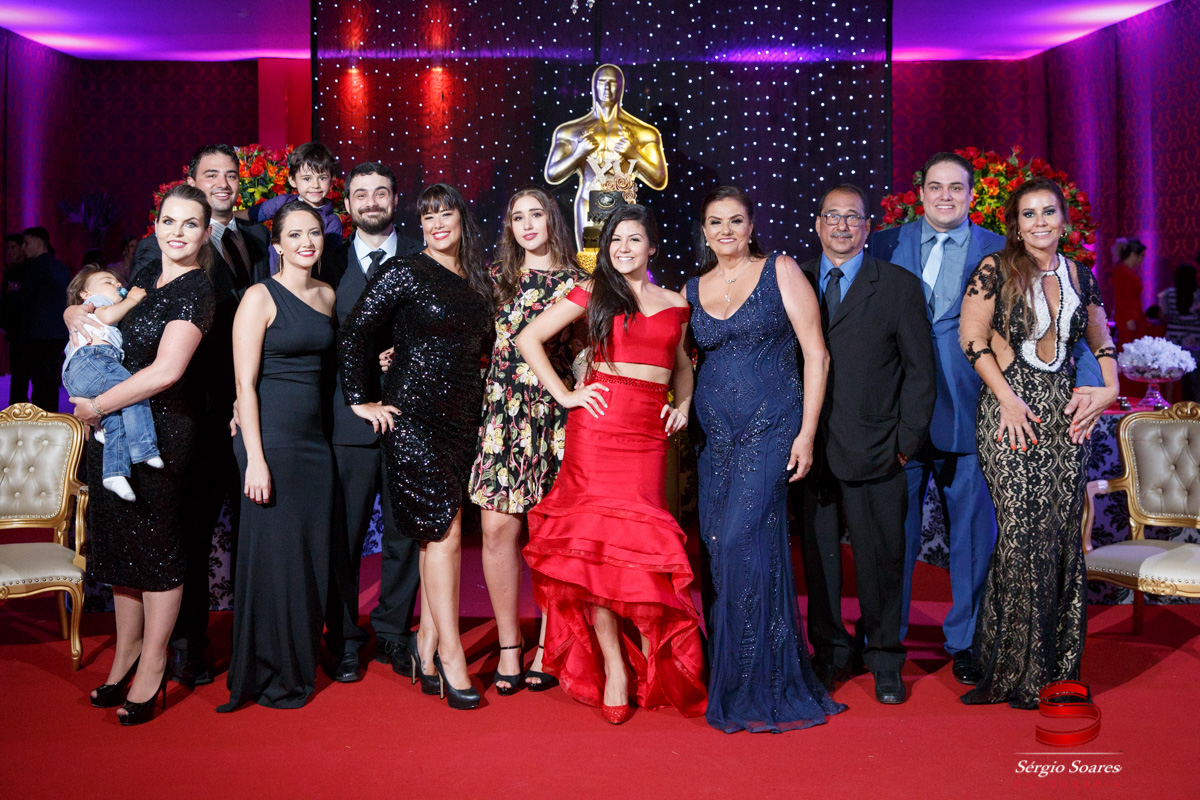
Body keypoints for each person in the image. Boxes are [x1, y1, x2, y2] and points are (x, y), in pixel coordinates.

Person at [868, 152, 1104, 685]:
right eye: (936, 186)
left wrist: (1094, 385)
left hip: (978, 412)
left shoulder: (1004, 251)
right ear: (919, 192)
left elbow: (1068, 325)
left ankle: (968, 641)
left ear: (973, 195)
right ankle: (885, 643)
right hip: (897, 414)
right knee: (892, 536)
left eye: (957, 187)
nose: (945, 196)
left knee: (974, 538)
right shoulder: (882, 244)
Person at [515, 204, 707, 724]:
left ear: (652, 247)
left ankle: (653, 659)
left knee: (642, 550)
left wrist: (684, 404)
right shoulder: (594, 292)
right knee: (596, 553)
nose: (623, 248)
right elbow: (527, 338)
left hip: (647, 436)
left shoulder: (677, 304)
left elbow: (682, 365)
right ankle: (616, 668)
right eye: (615, 240)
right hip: (597, 431)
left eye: (633, 239)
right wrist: (566, 395)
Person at [685, 186, 844, 733]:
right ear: (705, 231)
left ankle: (761, 679)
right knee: (720, 548)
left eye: (736, 221)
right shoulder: (692, 288)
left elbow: (816, 353)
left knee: (739, 541)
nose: (726, 231)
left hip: (771, 430)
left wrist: (807, 434)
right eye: (715, 222)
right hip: (715, 441)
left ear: (751, 226)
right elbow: (683, 362)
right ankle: (737, 672)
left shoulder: (780, 271)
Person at [958, 178, 1117, 709]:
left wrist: (1110, 387)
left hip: (1065, 419)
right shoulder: (995, 269)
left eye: (1049, 212)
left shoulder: (1080, 275)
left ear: (1064, 222)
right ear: (1016, 225)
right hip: (1010, 414)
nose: (1040, 222)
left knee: (1060, 536)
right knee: (1021, 534)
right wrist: (1006, 400)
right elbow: (971, 339)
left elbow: (1101, 339)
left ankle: (1055, 667)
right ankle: (1010, 668)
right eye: (1029, 214)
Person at [338, 183, 493, 710]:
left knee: (434, 539)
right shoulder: (404, 270)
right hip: (414, 420)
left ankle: (425, 645)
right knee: (445, 533)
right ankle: (451, 655)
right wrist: (361, 398)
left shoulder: (476, 280)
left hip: (461, 422)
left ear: (461, 219)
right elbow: (355, 332)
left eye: (445, 214)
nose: (437, 224)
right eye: (428, 217)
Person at [122, 144, 271, 686]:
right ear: (191, 180)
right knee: (191, 530)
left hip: (250, 405)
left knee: (255, 527)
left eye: (232, 175)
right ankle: (185, 645)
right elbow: (128, 310)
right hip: (192, 410)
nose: (224, 183)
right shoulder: (158, 247)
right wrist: (77, 311)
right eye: (212, 174)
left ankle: (256, 641)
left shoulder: (258, 238)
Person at [70, 184, 215, 725]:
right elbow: (97, 313)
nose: (177, 232)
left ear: (205, 233)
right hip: (112, 431)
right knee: (121, 548)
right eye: (169, 221)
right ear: (156, 224)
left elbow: (165, 372)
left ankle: (153, 663)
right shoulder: (146, 275)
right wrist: (74, 314)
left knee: (156, 551)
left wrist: (97, 405)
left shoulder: (197, 290)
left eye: (190, 224)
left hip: (160, 433)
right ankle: (125, 655)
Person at [799, 184, 936, 705]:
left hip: (879, 448)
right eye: (831, 216)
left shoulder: (898, 286)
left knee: (881, 559)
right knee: (820, 562)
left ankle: (883, 657)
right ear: (817, 224)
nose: (841, 226)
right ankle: (831, 652)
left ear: (868, 227)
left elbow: (920, 372)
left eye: (852, 217)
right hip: (811, 450)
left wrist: (905, 443)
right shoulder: (796, 282)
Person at [219, 202, 336, 711]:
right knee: (275, 559)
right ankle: (269, 669)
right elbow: (244, 383)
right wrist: (256, 457)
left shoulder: (327, 294)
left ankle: (298, 659)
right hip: (271, 442)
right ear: (277, 245)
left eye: (314, 233)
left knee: (308, 557)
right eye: (295, 234)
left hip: (315, 444)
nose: (306, 242)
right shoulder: (259, 296)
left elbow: (331, 368)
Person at [468, 186, 583, 694]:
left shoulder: (579, 283)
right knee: (496, 530)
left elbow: (587, 352)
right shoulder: (495, 279)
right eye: (518, 217)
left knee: (550, 538)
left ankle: (551, 645)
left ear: (553, 219)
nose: (528, 224)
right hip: (501, 417)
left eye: (537, 214)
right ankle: (510, 646)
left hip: (554, 417)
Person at [319, 162, 423, 683]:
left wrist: (407, 354)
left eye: (381, 192)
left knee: (406, 535)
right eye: (361, 194)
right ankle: (341, 637)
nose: (372, 202)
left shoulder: (423, 255)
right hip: (348, 418)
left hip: (410, 417)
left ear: (395, 199)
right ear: (348, 204)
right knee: (344, 535)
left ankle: (394, 634)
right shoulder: (326, 258)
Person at [62, 266, 162, 501]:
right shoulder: (96, 303)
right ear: (86, 294)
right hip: (92, 360)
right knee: (133, 390)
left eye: (118, 282)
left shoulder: (99, 305)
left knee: (116, 413)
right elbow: (107, 316)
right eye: (108, 281)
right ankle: (144, 448)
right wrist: (133, 299)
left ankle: (114, 472)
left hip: (84, 370)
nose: (117, 285)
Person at [544, 64, 668, 248]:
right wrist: (579, 152)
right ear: (594, 86)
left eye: (612, 83)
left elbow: (658, 177)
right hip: (588, 202)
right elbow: (553, 173)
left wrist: (633, 153)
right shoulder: (572, 132)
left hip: (624, 204)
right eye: (603, 82)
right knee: (590, 259)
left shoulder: (642, 132)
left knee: (624, 255)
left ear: (621, 87)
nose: (607, 88)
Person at [241, 141, 344, 273]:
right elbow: (249, 214)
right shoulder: (283, 202)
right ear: (292, 180)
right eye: (307, 179)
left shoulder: (332, 222)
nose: (315, 185)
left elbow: (327, 266)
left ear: (331, 179)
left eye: (322, 178)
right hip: (272, 277)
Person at [12, 227, 70, 410]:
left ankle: (38, 421)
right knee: (50, 384)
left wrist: (13, 293)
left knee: (38, 384)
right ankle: (50, 420)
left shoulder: (34, 266)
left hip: (36, 335)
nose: (23, 248)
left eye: (26, 243)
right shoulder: (61, 266)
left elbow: (24, 298)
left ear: (38, 243)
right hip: (57, 333)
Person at [1158, 264, 1200, 401]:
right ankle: (1196, 406)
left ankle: (1168, 405)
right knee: (1194, 376)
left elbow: (1162, 316)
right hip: (1194, 339)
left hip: (1173, 339)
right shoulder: (1197, 295)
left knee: (1171, 375)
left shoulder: (1168, 294)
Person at [1, 233, 27, 381]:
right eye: (8, 249)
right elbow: (5, 296)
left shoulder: (31, 268)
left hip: (30, 328)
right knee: (18, 375)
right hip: (15, 329)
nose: (10, 251)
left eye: (13, 247)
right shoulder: (9, 270)